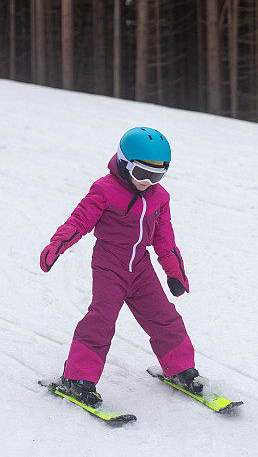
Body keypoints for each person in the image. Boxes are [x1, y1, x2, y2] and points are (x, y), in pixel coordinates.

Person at [39, 127, 201, 407]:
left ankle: (180, 368)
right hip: (109, 265)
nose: (148, 182)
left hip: (140, 267)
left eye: (157, 175)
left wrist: (173, 271)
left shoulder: (159, 198)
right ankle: (78, 378)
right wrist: (58, 244)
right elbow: (79, 221)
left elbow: (165, 238)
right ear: (125, 164)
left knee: (165, 317)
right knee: (101, 321)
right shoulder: (104, 189)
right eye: (142, 173)